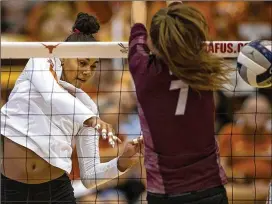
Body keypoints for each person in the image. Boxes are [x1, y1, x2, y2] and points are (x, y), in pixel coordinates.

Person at [1, 12, 143, 203]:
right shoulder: (41, 61)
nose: (87, 71)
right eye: (82, 62)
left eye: (93, 66)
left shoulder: (86, 106)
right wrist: (90, 119)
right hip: (11, 190)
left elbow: (90, 177)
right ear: (63, 57)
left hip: (56, 192)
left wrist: (121, 162)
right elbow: (51, 93)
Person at [128, 1, 233, 204]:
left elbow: (137, 22)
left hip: (165, 195)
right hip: (209, 191)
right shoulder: (204, 65)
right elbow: (179, 17)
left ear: (152, 42)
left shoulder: (142, 69)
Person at [218, 94, 271, 203]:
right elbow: (220, 168)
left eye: (262, 112)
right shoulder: (230, 132)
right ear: (242, 113)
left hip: (266, 189)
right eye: (252, 111)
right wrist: (244, 179)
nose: (256, 115)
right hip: (238, 187)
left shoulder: (270, 137)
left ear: (269, 116)